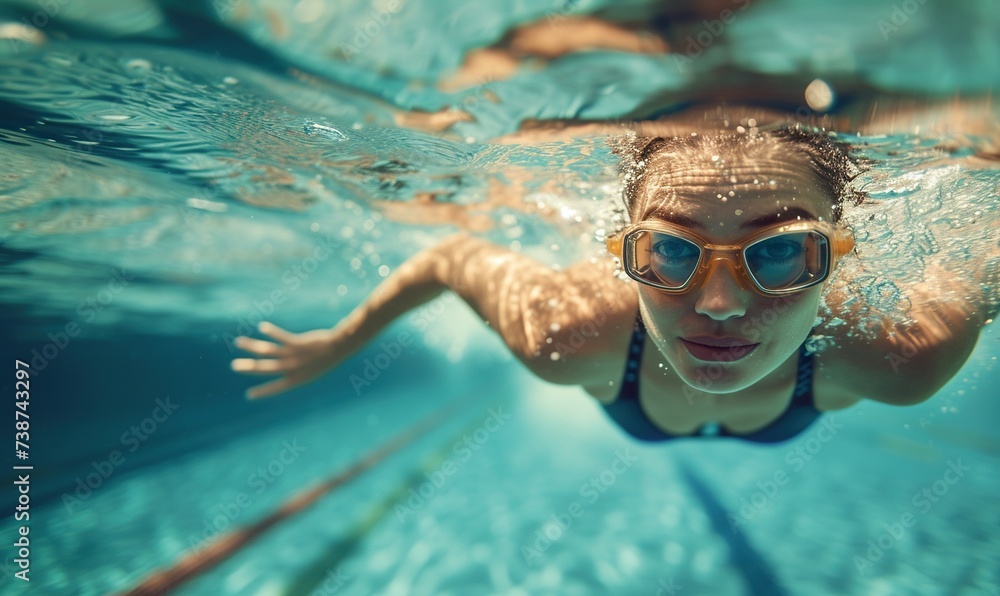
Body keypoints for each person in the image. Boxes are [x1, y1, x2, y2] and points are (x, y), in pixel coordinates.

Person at [231, 109, 995, 443]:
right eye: (668, 252)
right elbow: (448, 257)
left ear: (838, 252)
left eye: (779, 252)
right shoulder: (570, 335)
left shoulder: (902, 351)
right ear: (622, 251)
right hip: (629, 391)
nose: (721, 306)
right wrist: (342, 340)